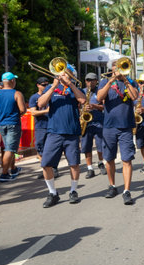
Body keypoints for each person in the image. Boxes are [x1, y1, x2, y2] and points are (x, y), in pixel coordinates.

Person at [37, 66, 86, 207]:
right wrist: (53, 87)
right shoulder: (51, 89)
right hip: (54, 132)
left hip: (72, 133)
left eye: (66, 73)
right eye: (61, 73)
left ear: (72, 76)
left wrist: (70, 84)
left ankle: (73, 191)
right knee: (46, 164)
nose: (62, 75)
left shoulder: (75, 89)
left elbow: (82, 100)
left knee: (74, 164)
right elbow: (40, 103)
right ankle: (52, 192)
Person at [97, 58, 139, 205]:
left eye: (122, 67)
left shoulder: (131, 82)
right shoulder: (105, 82)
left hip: (126, 126)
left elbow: (135, 97)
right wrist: (111, 81)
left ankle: (127, 191)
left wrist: (126, 81)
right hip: (109, 126)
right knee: (109, 158)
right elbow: (99, 98)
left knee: (127, 159)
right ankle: (112, 185)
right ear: (112, 69)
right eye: (117, 67)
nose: (120, 70)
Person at [0, 72, 26, 182]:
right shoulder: (17, 93)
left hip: (1, 124)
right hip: (13, 123)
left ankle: (13, 169)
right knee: (10, 149)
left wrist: (0, 112)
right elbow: (23, 110)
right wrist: (13, 113)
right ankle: (4, 174)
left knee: (9, 148)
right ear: (12, 81)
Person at [28, 77, 59, 179]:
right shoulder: (34, 97)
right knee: (40, 147)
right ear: (38, 85)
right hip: (41, 126)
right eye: (43, 85)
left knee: (53, 148)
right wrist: (46, 111)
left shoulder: (53, 94)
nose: (46, 86)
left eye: (47, 84)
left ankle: (54, 168)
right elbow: (33, 112)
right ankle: (45, 168)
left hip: (52, 125)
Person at [81, 72, 107, 179]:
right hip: (87, 123)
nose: (89, 82)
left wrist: (94, 106)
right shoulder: (82, 91)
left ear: (96, 81)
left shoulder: (100, 91)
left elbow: (105, 107)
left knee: (100, 145)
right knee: (87, 146)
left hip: (99, 121)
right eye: (87, 80)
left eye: (92, 80)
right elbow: (77, 106)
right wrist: (83, 109)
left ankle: (101, 162)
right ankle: (90, 168)